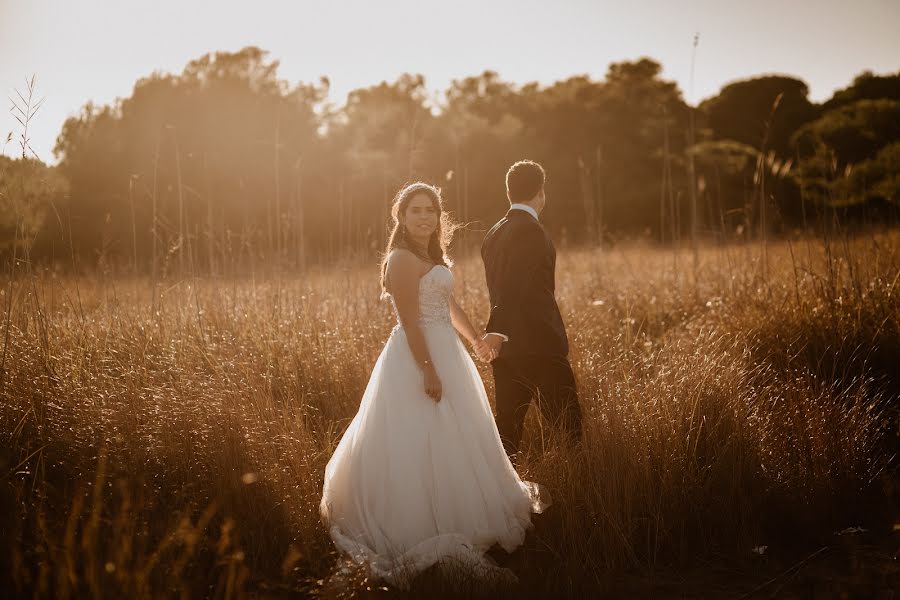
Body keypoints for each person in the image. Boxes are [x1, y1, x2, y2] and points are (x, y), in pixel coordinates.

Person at [320, 182, 547, 588]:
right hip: (416, 357)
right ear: (401, 218)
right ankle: (418, 523)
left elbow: (449, 307)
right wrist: (427, 369)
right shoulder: (402, 259)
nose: (424, 216)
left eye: (430, 210)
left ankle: (463, 513)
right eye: (415, 210)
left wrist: (475, 339)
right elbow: (409, 321)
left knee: (456, 437)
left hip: (448, 353)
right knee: (418, 437)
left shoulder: (431, 255)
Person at [481, 160, 584, 458]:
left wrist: (498, 334)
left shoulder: (494, 233)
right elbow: (514, 287)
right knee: (570, 431)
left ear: (508, 192)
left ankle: (503, 498)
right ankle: (580, 492)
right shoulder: (531, 231)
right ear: (541, 192)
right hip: (540, 346)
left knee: (508, 435)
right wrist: (496, 330)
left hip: (508, 353)